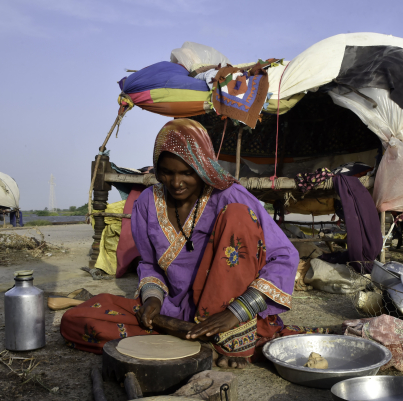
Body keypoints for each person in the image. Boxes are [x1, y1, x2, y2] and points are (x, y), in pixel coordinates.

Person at [61, 119, 326, 368]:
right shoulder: (146, 204)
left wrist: (235, 313)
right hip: (176, 314)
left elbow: (285, 257)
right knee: (77, 320)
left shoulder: (229, 195)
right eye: (166, 173)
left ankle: (230, 339)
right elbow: (150, 265)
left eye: (187, 173)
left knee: (238, 216)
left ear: (203, 168)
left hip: (228, 314)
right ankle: (191, 336)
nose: (176, 183)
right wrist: (153, 300)